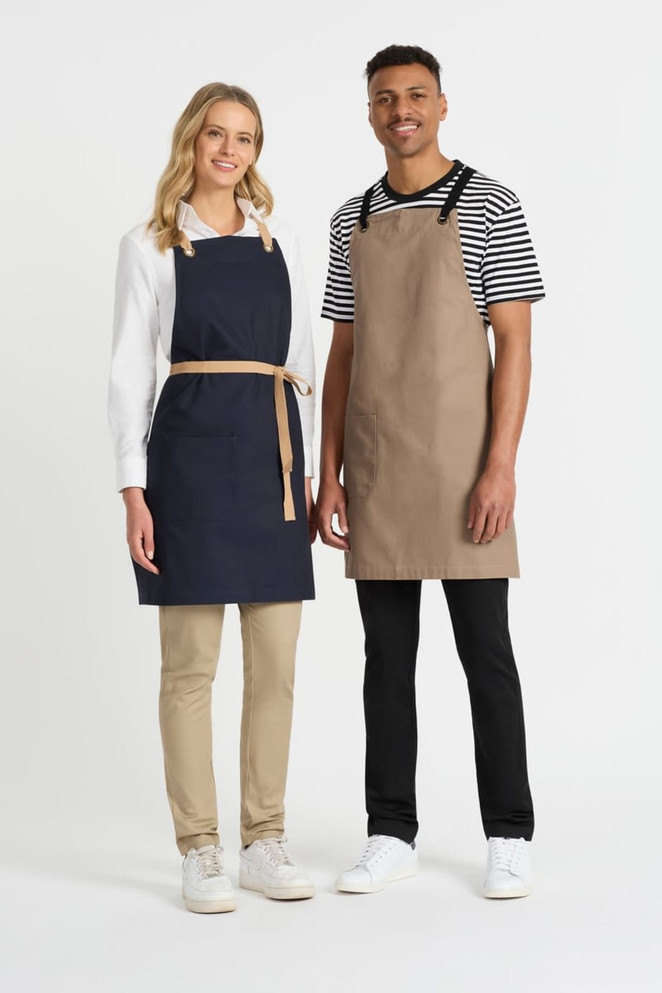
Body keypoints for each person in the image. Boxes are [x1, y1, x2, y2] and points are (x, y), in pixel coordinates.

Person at [318, 45, 544, 899]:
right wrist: (331, 470)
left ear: (442, 106)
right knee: (387, 657)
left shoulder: (489, 202)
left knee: (487, 652)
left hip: (462, 468)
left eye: (415, 95)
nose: (399, 109)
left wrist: (500, 467)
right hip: (377, 462)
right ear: (369, 113)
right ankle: (390, 830)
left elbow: (514, 341)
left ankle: (509, 831)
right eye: (384, 98)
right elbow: (343, 350)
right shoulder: (353, 219)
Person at [108, 82, 316, 913]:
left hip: (271, 460)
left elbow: (301, 361)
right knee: (188, 668)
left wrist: (302, 466)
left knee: (277, 667)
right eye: (217, 135)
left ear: (256, 151)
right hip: (187, 464)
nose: (230, 151)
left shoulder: (280, 238)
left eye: (247, 138)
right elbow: (128, 369)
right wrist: (133, 486)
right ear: (191, 141)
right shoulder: (149, 244)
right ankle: (200, 848)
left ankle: (264, 838)